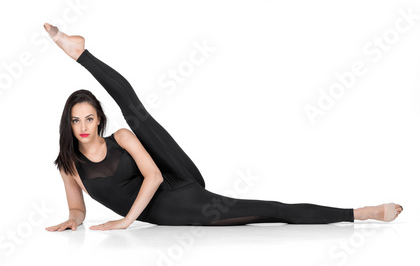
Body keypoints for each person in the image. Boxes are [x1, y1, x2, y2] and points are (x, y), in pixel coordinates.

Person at [43, 23, 403, 231]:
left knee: (136, 114)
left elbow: (152, 177)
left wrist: (125, 222)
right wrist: (73, 221)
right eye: (76, 120)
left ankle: (79, 52)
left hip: (176, 181)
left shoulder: (119, 137)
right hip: (172, 209)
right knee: (269, 211)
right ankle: (365, 212)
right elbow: (78, 210)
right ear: (68, 124)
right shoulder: (69, 166)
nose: (83, 126)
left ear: (99, 120)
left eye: (89, 118)